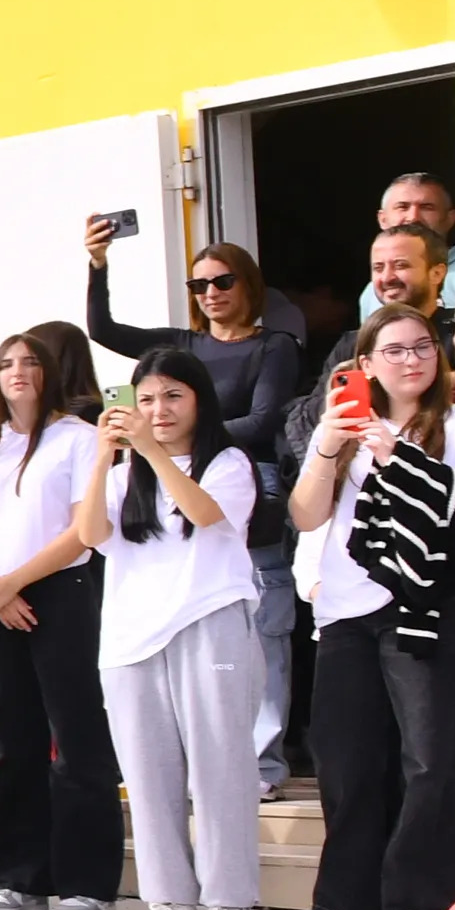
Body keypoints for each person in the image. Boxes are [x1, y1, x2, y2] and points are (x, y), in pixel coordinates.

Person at [287, 299, 455, 910]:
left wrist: (397, 460)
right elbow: (305, 516)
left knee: (430, 757)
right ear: (366, 365)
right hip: (346, 609)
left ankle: (425, 903)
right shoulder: (346, 427)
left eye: (423, 347)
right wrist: (328, 445)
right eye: (396, 350)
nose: (412, 361)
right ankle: (347, 906)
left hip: (430, 606)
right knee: (347, 760)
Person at [87, 214, 319, 768]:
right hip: (166, 474)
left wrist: (188, 440)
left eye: (223, 281)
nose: (210, 293)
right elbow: (103, 330)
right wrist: (98, 265)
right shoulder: (182, 345)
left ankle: (263, 760)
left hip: (244, 476)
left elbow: (264, 419)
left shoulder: (274, 345)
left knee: (263, 620)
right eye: (199, 284)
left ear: (249, 286)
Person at [83, 357, 271, 910]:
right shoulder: (123, 476)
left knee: (221, 767)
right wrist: (103, 458)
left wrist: (151, 451)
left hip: (209, 623)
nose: (157, 411)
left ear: (199, 401)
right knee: (147, 774)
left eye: (172, 397)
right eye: (145, 399)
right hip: (132, 637)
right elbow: (90, 535)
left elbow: (205, 513)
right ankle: (169, 900)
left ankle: (229, 903)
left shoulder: (228, 462)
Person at [0, 323, 120, 910]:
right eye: (7, 364)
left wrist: (14, 582)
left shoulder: (77, 437)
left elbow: (81, 531)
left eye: (29, 362)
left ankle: (87, 882)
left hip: (59, 592)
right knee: (14, 741)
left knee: (76, 736)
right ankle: (19, 877)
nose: (18, 372)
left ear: (48, 373)